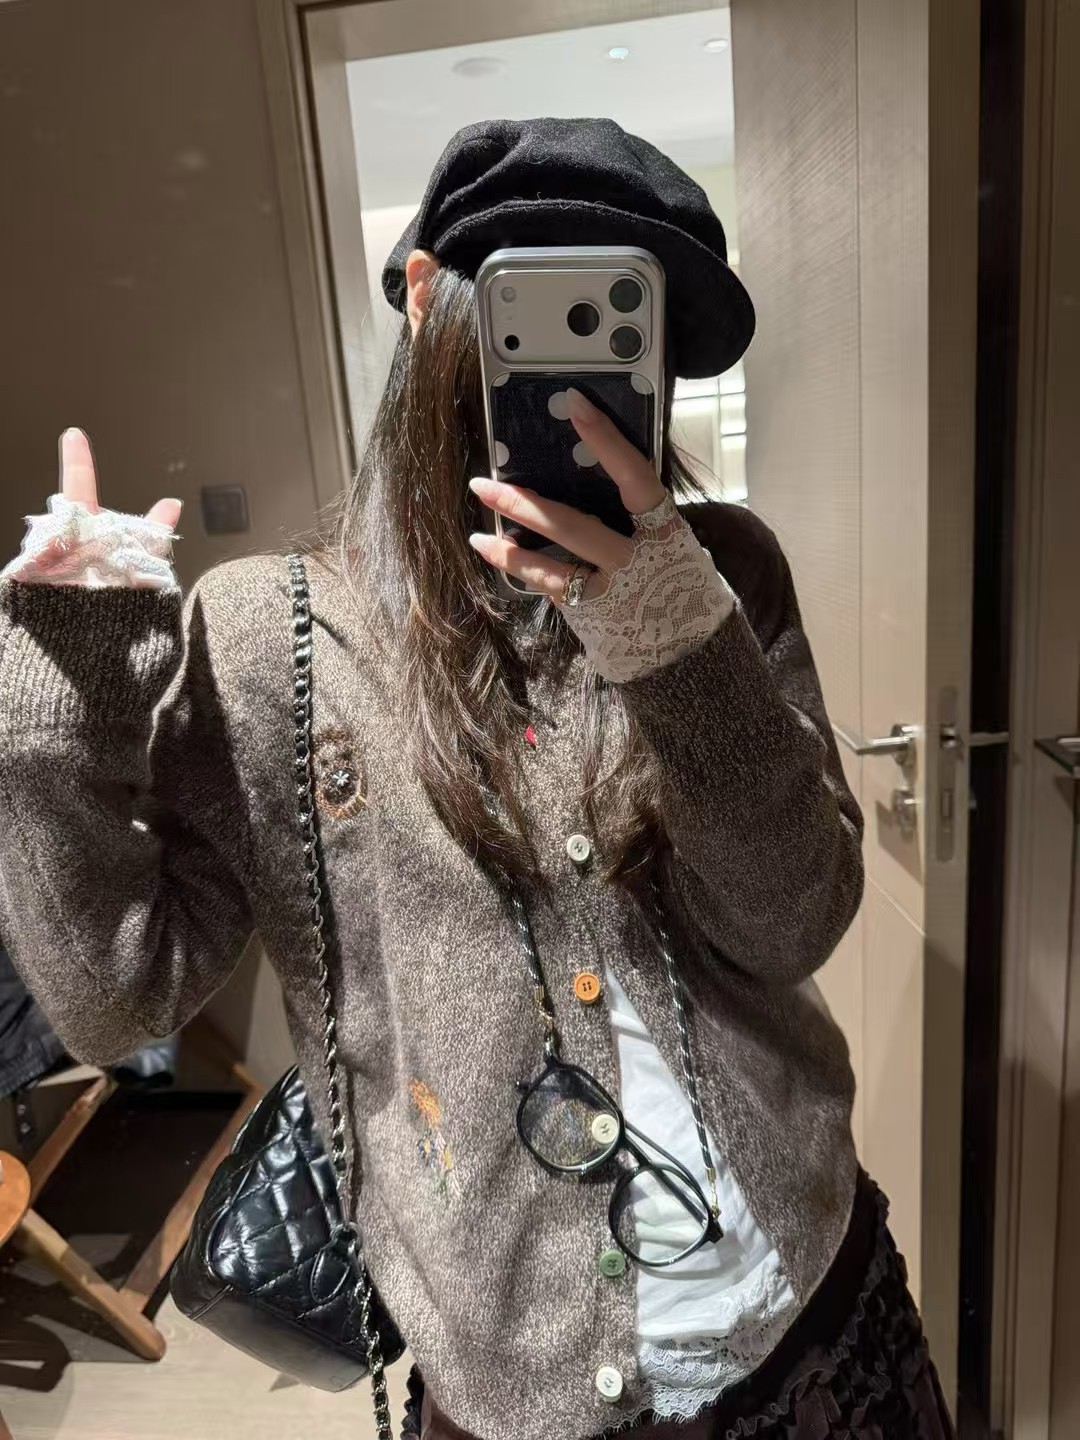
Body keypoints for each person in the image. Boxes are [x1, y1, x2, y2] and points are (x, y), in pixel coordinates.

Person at [0, 118, 952, 1440]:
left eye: (623, 323)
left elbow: (794, 921)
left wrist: (678, 644)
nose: (576, 374)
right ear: (427, 298)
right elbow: (118, 1001)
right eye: (532, 305)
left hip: (809, 1291)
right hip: (514, 1380)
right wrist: (56, 719)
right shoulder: (280, 640)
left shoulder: (728, 570)